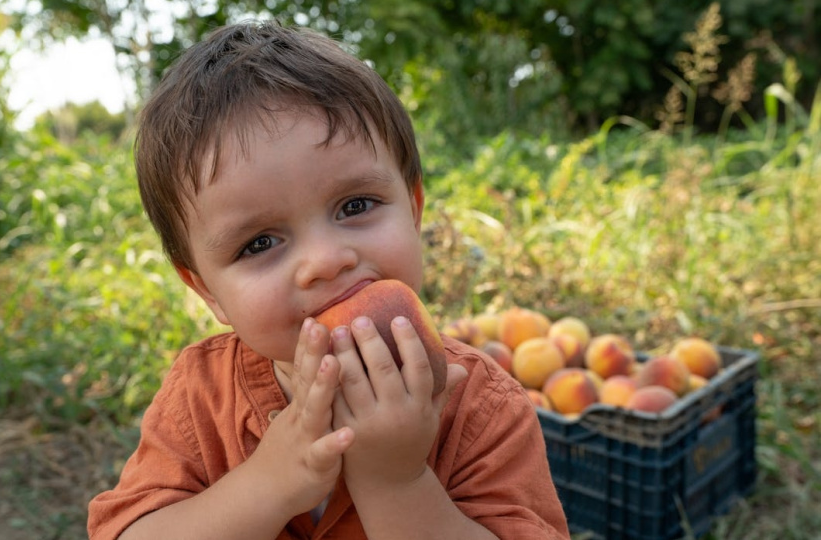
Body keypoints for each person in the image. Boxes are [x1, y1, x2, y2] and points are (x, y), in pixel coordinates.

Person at [87, 20, 570, 540]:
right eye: (259, 243)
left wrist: (396, 482)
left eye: (355, 205)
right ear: (206, 290)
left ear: (414, 208)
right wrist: (268, 484)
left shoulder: (481, 407)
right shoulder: (200, 400)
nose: (325, 260)